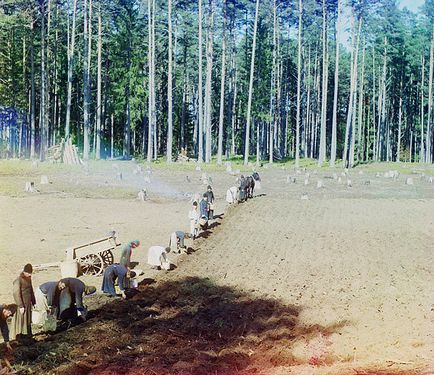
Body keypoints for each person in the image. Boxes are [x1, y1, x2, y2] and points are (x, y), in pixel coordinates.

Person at [11, 264, 35, 341]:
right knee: (21, 320)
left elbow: (31, 291)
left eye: (31, 273)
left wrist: (34, 302)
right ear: (24, 272)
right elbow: (16, 293)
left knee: (27, 320)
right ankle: (19, 336)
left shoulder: (29, 279)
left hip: (28, 304)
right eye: (28, 273)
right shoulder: (18, 280)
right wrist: (20, 306)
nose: (30, 274)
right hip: (21, 305)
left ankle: (27, 335)